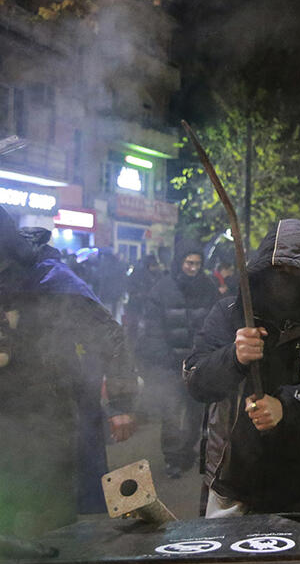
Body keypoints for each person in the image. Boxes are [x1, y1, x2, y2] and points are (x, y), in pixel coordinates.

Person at [186, 219, 300, 516]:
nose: (284, 281)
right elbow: (196, 382)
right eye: (278, 270)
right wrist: (234, 357)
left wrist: (285, 405)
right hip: (231, 481)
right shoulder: (229, 314)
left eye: (296, 272)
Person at [0, 211, 136, 538]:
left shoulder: (52, 279)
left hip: (52, 417)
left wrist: (121, 404)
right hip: (8, 417)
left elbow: (110, 337)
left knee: (52, 522)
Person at [138, 246, 219, 478]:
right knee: (171, 412)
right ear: (180, 262)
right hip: (170, 364)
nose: (193, 268)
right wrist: (164, 357)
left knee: (196, 413)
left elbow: (215, 321)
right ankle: (173, 458)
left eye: (197, 264)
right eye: (189, 263)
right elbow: (153, 329)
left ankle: (188, 450)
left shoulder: (208, 287)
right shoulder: (162, 289)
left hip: (199, 363)